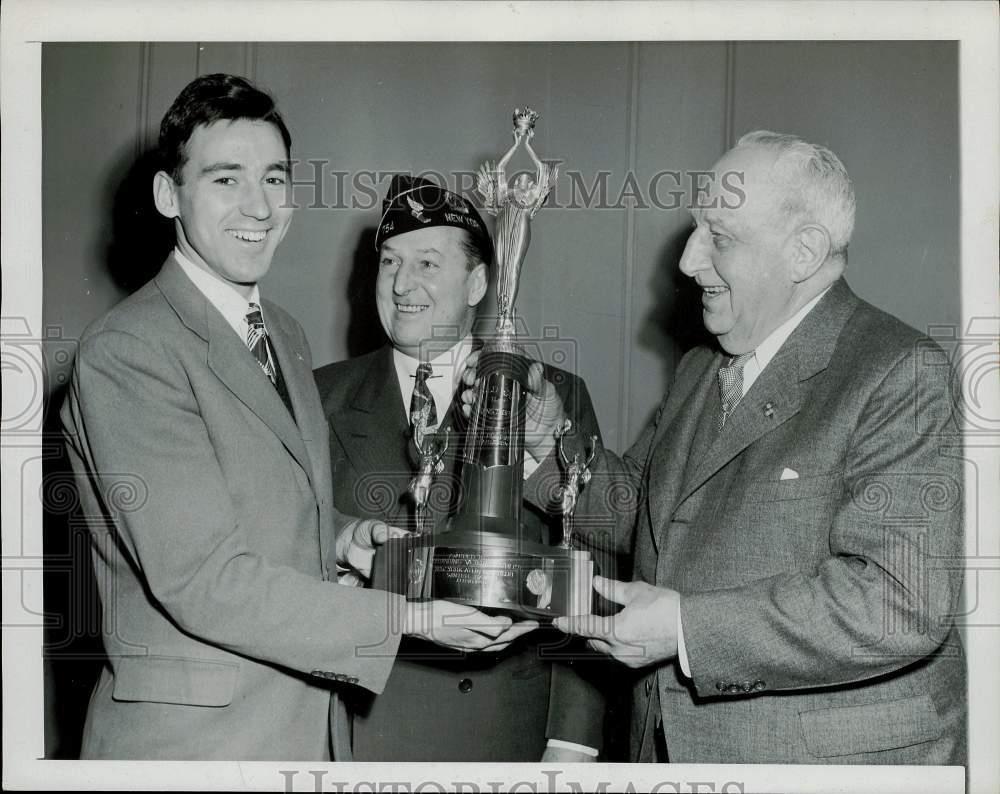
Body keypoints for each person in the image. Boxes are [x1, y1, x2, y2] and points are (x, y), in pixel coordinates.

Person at [60, 74, 530, 761]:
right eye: (227, 180)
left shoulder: (281, 330)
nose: (259, 206)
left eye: (274, 179)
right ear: (168, 195)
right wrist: (410, 615)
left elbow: (256, 508)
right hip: (193, 747)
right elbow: (204, 580)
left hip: (301, 728)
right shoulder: (130, 351)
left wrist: (345, 540)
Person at [536, 131, 966, 764]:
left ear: (804, 252)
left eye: (720, 237)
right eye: (694, 231)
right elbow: (644, 514)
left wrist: (684, 628)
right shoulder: (702, 368)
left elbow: (897, 602)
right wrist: (541, 444)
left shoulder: (899, 371)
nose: (687, 261)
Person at [315, 175, 609, 762]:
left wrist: (572, 742)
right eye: (390, 262)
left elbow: (594, 562)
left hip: (505, 734)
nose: (402, 284)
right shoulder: (318, 395)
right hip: (357, 725)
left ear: (477, 282)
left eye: (427, 262)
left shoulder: (552, 396)